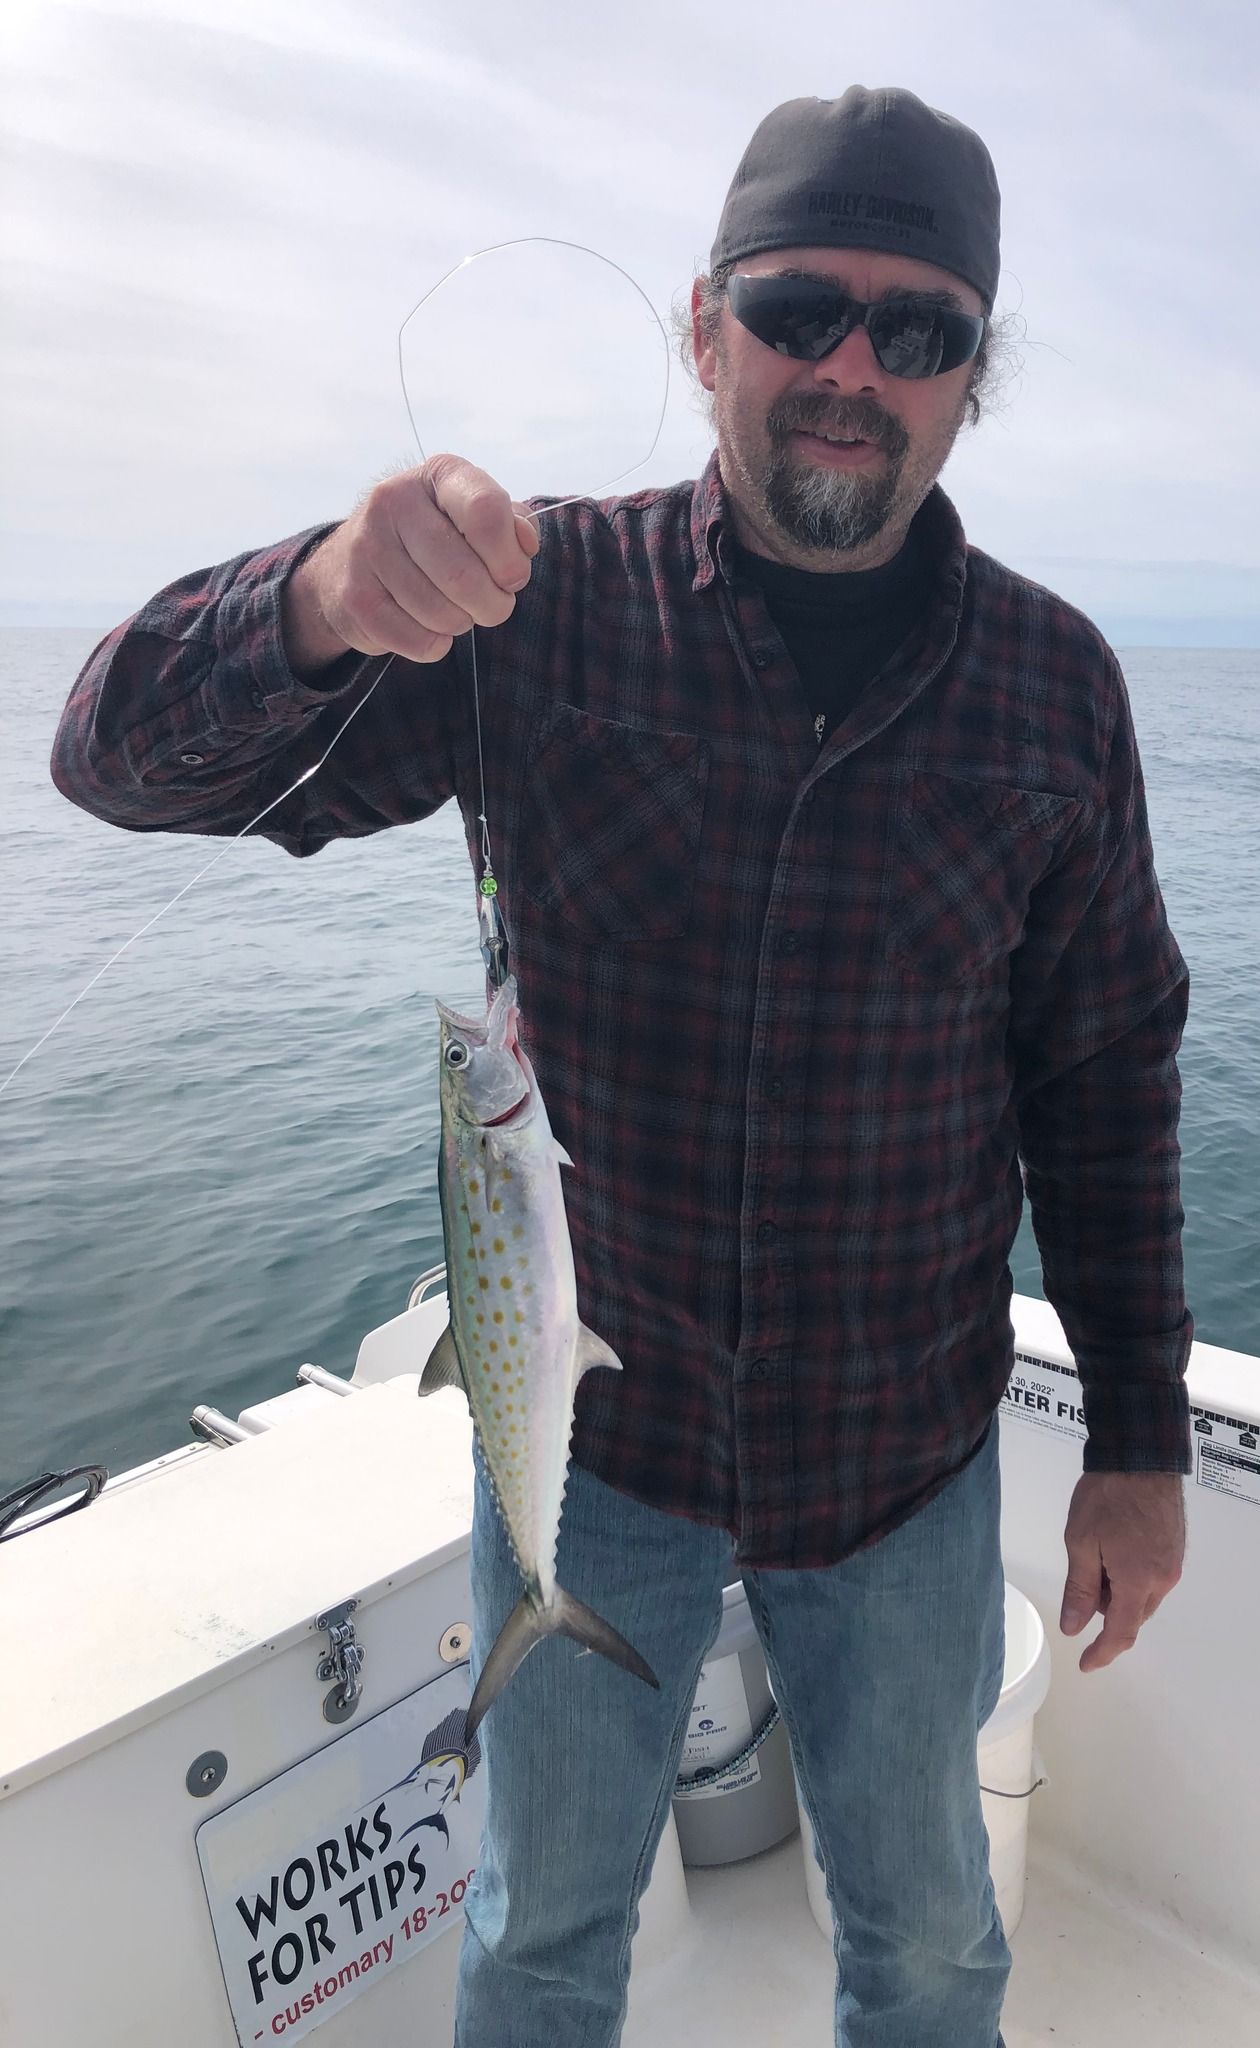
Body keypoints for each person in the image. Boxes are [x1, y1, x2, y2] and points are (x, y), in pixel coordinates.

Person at [52, 84, 1192, 2048]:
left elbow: (1103, 1079)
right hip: (589, 1466)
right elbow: (115, 763)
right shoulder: (534, 611)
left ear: (968, 381)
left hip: (901, 1463)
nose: (850, 368)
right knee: (539, 1934)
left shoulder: (1056, 684)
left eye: (916, 332)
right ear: (702, 329)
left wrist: (1143, 1435)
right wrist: (323, 597)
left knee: (928, 1948)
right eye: (797, 308)